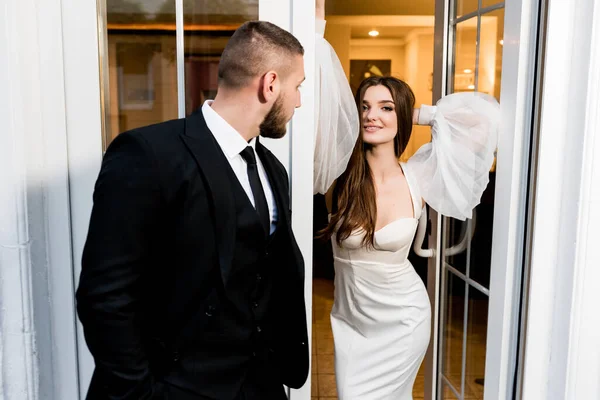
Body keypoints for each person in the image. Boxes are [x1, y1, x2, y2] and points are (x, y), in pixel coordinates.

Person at [76, 21, 310, 400]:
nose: (299, 100)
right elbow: (105, 297)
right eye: (297, 86)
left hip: (259, 384)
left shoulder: (272, 170)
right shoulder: (147, 154)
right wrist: (141, 393)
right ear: (270, 84)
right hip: (177, 386)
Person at [313, 1, 499, 398]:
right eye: (364, 107)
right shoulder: (339, 175)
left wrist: (417, 112)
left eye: (384, 108)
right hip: (351, 326)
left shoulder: (418, 173)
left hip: (404, 321)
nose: (371, 116)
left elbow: (484, 121)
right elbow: (322, 107)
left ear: (402, 114)